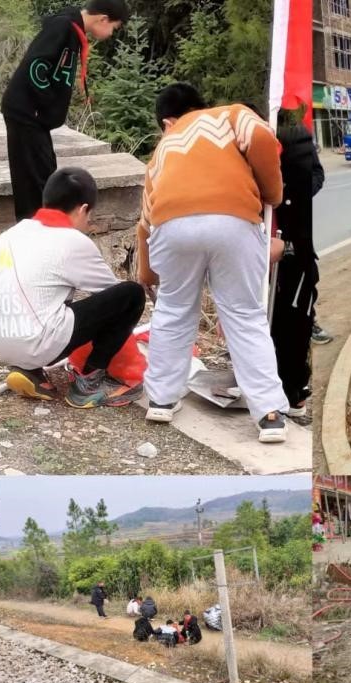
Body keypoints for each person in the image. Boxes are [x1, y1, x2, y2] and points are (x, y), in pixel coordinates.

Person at [138, 85, 288, 441]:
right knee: (244, 314)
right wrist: (273, 191)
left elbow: (144, 221)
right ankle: (268, 414)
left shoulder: (163, 147)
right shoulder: (231, 114)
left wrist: (147, 273)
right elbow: (262, 136)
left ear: (167, 121)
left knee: (173, 310)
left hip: (170, 226)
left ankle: (160, 399)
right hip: (233, 221)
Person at [0, 167, 146, 408]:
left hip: (2, 344)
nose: (88, 223)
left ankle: (30, 372)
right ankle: (88, 381)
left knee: (46, 296)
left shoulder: (8, 235)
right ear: (83, 208)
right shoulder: (73, 241)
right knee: (132, 295)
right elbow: (112, 297)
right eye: (89, 216)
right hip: (39, 344)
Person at [0, 1, 128, 220]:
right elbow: (35, 67)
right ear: (103, 19)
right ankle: (35, 233)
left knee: (44, 173)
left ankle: (42, 228)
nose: (110, 34)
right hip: (27, 112)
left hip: (33, 116)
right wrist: (48, 104)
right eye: (113, 28)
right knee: (33, 181)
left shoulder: (71, 30)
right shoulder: (63, 27)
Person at [272, 116, 323, 417]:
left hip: (295, 264)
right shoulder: (300, 181)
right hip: (287, 263)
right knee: (289, 321)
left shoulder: (298, 187)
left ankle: (293, 392)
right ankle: (291, 390)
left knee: (291, 321)